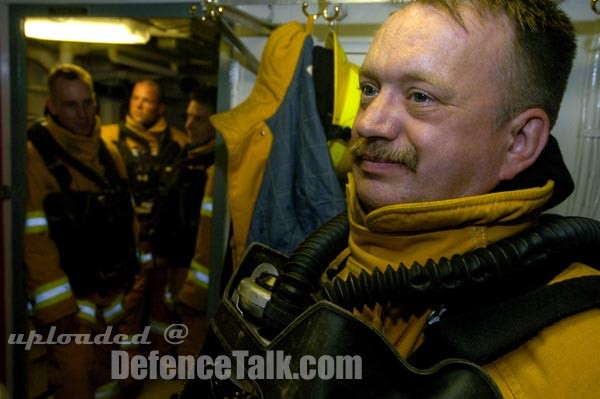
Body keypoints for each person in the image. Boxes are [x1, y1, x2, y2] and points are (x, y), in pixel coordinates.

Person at [326, 0, 598, 398]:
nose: (367, 123)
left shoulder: (582, 349)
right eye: (370, 89)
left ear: (518, 142)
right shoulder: (338, 254)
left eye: (420, 97)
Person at [24, 63, 143, 399]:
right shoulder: (33, 158)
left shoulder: (109, 152)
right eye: (70, 105)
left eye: (87, 102)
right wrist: (58, 312)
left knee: (107, 380)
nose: (82, 113)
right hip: (69, 305)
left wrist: (134, 277)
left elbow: (126, 219)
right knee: (75, 379)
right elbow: (34, 242)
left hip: (113, 295)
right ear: (52, 106)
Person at [101, 79, 188, 355]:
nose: (139, 105)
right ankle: (127, 372)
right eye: (136, 98)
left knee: (164, 305)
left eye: (147, 100)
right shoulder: (108, 137)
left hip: (163, 242)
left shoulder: (179, 142)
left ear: (160, 108)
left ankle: (161, 360)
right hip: (123, 242)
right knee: (127, 307)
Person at [172, 87, 218, 356]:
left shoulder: (216, 169)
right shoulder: (188, 157)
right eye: (188, 117)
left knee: (193, 358)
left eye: (199, 119)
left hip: (200, 289)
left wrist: (194, 293)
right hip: (181, 273)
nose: (188, 125)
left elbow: (208, 238)